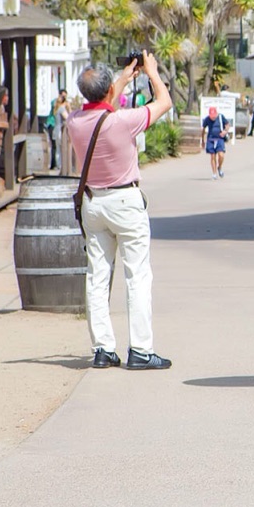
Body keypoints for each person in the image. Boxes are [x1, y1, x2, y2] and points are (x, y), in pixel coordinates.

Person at [68, 52, 173, 370]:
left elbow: (103, 98)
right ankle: (140, 349)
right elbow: (164, 102)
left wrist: (125, 76)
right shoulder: (122, 120)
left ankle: (103, 348)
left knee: (97, 277)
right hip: (125, 203)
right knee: (137, 276)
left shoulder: (74, 121)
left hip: (94, 203)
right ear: (107, 90)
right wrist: (152, 73)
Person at [201, 106, 229, 178]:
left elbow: (227, 125)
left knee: (221, 155)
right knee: (212, 156)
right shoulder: (207, 119)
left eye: (214, 116)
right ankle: (214, 173)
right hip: (211, 139)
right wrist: (203, 141)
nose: (213, 118)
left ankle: (219, 167)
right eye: (211, 116)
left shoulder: (220, 117)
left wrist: (225, 131)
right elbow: (203, 129)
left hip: (219, 138)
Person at [46, 90, 69, 169]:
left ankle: (58, 165)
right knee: (62, 148)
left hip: (55, 129)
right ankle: (62, 165)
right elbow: (68, 118)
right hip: (60, 131)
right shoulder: (62, 109)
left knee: (57, 148)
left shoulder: (56, 108)